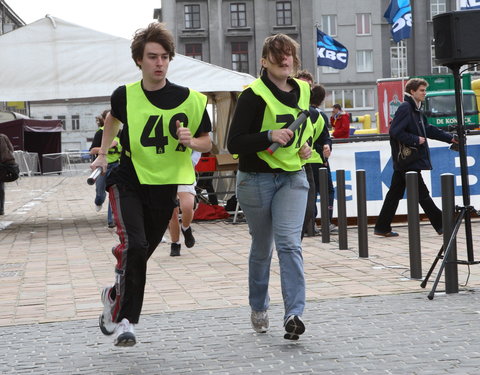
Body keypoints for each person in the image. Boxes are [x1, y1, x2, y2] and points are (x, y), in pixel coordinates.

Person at [90, 22, 212, 347]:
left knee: (139, 255)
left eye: (164, 57)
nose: (159, 63)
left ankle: (115, 294)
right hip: (128, 179)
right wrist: (103, 152)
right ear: (139, 61)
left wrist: (192, 141)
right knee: (135, 245)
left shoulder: (190, 99)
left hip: (164, 186)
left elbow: (208, 143)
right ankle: (127, 322)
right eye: (152, 57)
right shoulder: (124, 95)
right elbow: (113, 119)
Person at [227, 33, 312, 340]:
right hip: (256, 179)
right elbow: (233, 143)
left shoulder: (303, 88)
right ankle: (259, 306)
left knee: (290, 244)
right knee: (263, 248)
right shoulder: (253, 95)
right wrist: (268, 136)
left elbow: (309, 125)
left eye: (289, 54)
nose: (284, 59)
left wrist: (307, 146)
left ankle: (294, 314)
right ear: (264, 62)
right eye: (277, 55)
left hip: (293, 177)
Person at [374, 78, 458, 237]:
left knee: (394, 194)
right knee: (422, 194)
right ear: (412, 91)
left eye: (424, 90)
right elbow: (395, 132)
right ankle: (442, 224)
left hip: (406, 161)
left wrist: (449, 138)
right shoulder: (406, 107)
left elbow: (428, 129)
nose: (424, 93)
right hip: (408, 160)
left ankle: (382, 227)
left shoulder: (415, 109)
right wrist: (414, 139)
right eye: (422, 90)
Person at [309, 84, 336, 234]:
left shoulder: (300, 112)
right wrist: (326, 146)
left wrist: (326, 144)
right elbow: (325, 137)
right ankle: (326, 222)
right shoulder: (320, 115)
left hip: (306, 160)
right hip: (318, 159)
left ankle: (311, 223)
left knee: (310, 192)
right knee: (327, 191)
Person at [89, 109, 122, 228]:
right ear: (104, 119)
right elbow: (92, 150)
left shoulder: (121, 132)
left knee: (114, 192)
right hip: (102, 167)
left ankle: (111, 220)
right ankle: (98, 201)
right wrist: (107, 146)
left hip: (116, 166)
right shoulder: (100, 133)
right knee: (100, 193)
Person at [168, 150, 201, 256]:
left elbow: (199, 144)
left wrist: (192, 161)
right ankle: (175, 243)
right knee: (172, 211)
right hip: (166, 171)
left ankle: (186, 228)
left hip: (185, 170)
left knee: (187, 206)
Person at [0, 133, 17, 215]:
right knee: (1, 187)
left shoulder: (3, 137)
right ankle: (1, 209)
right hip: (3, 165)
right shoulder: (3, 136)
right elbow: (11, 149)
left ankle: (1, 209)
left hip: (3, 165)